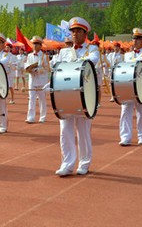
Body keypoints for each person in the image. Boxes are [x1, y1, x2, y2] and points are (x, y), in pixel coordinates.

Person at [53, 17, 99, 176]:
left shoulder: (91, 50)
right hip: (65, 94)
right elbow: (55, 68)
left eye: (78, 31)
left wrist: (79, 61)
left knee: (83, 130)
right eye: (72, 31)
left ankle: (84, 162)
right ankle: (67, 163)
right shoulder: (63, 52)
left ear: (85, 33)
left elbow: (92, 61)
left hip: (84, 95)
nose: (74, 34)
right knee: (65, 129)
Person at [118, 28, 142, 146]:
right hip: (128, 86)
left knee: (141, 112)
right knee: (125, 111)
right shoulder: (127, 55)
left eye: (138, 39)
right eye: (134, 38)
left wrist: (133, 60)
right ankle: (125, 137)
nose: (135, 41)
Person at [24, 36, 49, 124]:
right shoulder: (29, 55)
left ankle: (42, 117)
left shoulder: (45, 56)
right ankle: (31, 117)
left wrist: (36, 69)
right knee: (31, 98)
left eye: (36, 44)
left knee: (42, 99)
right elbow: (26, 65)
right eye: (33, 44)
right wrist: (28, 69)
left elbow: (46, 68)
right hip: (32, 79)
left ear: (40, 45)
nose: (34, 46)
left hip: (41, 80)